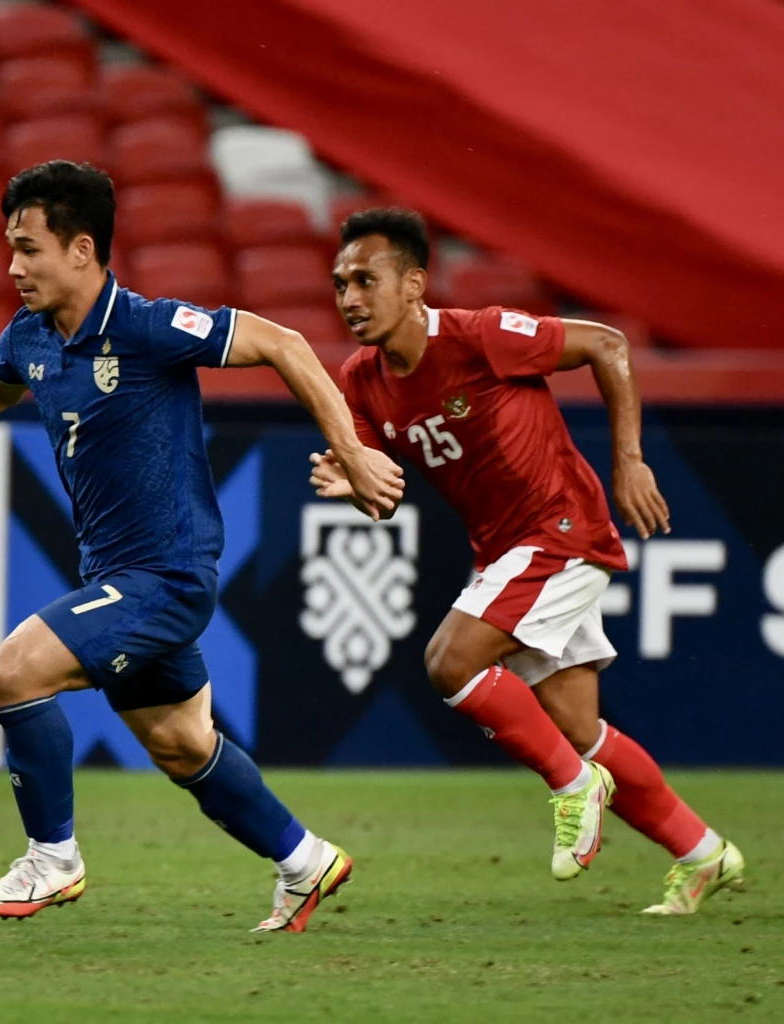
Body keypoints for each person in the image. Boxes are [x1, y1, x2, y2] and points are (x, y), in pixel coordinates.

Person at [0, 161, 405, 931]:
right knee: (180, 744)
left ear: (81, 250)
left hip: (167, 575)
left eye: (29, 249)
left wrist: (355, 450)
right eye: (10, 248)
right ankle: (304, 860)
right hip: (114, 573)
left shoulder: (144, 327)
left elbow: (286, 343)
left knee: (16, 668)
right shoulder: (31, 338)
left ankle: (52, 859)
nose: (13, 267)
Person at [309, 208, 742, 915]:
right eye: (340, 284)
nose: (351, 298)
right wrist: (352, 483)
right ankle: (703, 854)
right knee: (579, 730)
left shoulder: (480, 335)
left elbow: (606, 343)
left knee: (450, 661)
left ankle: (574, 788)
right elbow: (384, 496)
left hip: (560, 528)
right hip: (504, 550)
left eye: (367, 279)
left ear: (415, 283)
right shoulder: (360, 381)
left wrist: (628, 460)